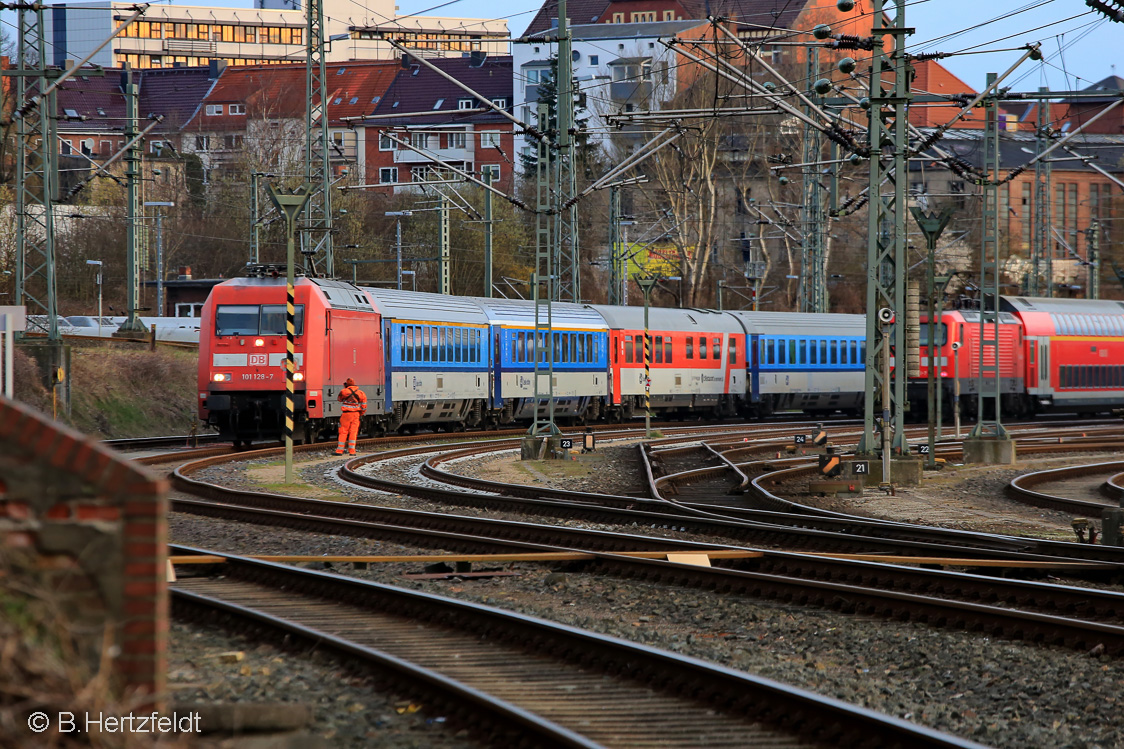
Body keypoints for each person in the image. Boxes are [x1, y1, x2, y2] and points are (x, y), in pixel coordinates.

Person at [335, 377, 367, 456]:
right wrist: (361, 413)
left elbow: (339, 399)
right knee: (353, 432)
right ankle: (352, 451)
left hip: (346, 414)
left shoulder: (343, 392)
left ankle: (339, 451)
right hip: (356, 414)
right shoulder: (361, 393)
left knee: (343, 431)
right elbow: (364, 406)